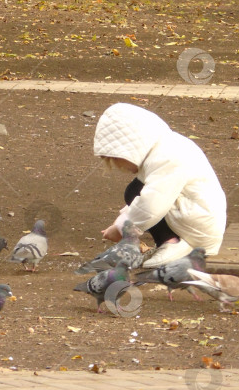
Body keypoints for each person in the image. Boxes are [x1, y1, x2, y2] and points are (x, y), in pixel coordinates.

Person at [93, 102, 227, 268]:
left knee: (135, 191)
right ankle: (170, 240)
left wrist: (122, 230)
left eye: (118, 161)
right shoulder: (164, 148)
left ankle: (171, 243)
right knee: (137, 190)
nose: (123, 169)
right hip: (197, 217)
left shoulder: (168, 158)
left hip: (199, 230)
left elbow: (152, 204)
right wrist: (120, 223)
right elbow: (148, 198)